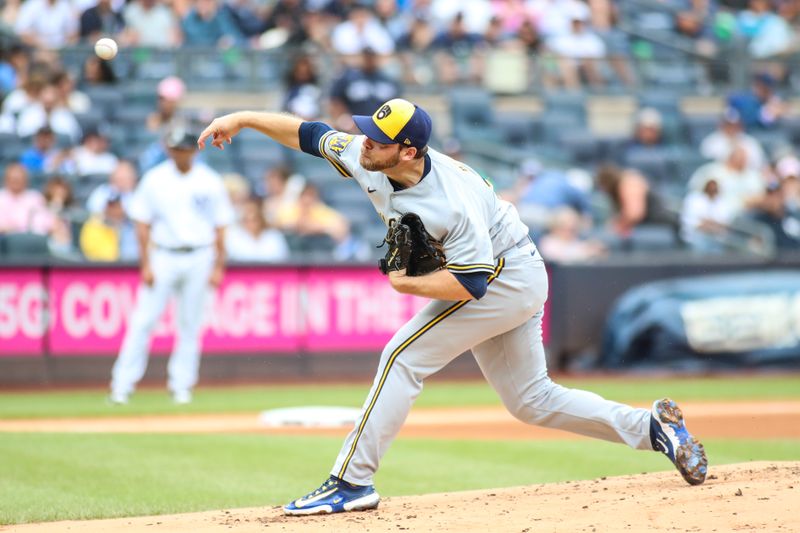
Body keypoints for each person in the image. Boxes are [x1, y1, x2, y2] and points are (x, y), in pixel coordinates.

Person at [197, 97, 708, 515]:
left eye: (377, 138)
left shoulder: (451, 199)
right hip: (509, 272)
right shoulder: (367, 154)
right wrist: (241, 118)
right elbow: (306, 134)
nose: (364, 142)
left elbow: (472, 284)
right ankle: (652, 429)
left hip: (504, 273)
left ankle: (352, 482)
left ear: (406, 152)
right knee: (530, 400)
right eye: (367, 132)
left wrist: (409, 286)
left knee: (403, 355)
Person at [109, 127, 234, 405]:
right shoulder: (155, 179)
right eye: (177, 148)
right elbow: (141, 223)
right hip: (163, 254)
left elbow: (221, 225)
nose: (182, 153)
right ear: (168, 149)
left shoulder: (210, 180)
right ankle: (122, 385)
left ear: (194, 150)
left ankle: (181, 385)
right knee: (143, 321)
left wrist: (218, 265)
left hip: (200, 255)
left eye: (186, 148)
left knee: (190, 324)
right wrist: (145, 263)